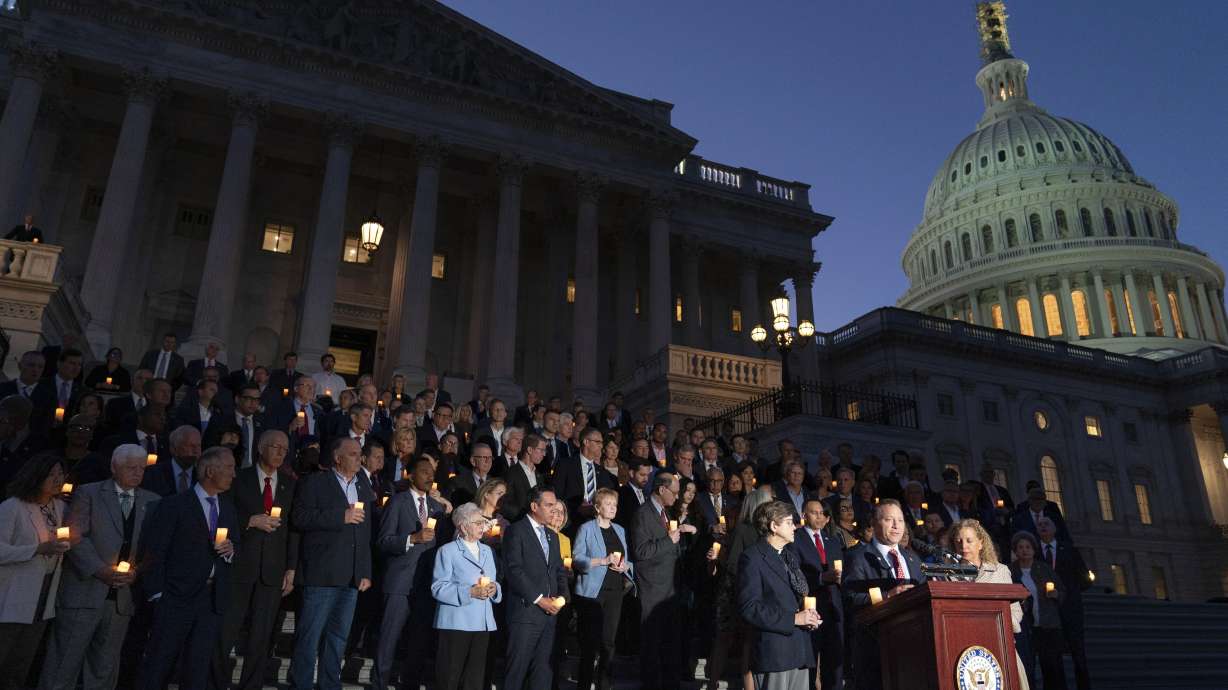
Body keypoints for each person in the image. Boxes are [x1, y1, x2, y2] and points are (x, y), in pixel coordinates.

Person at [40, 444, 157, 690]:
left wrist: (136, 572)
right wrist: (100, 570)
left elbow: (154, 548)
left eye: (141, 468)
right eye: (130, 467)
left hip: (122, 599)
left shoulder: (152, 501)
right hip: (85, 591)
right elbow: (75, 536)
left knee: (104, 667)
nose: (137, 473)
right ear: (114, 467)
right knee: (64, 663)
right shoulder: (89, 493)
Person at [137, 446, 238, 690]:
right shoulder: (175, 505)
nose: (234, 474)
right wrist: (158, 595)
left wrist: (231, 551)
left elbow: (235, 545)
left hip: (210, 601)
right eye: (229, 468)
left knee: (197, 671)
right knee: (159, 666)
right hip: (174, 598)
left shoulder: (228, 508)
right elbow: (155, 552)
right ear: (210, 470)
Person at [212, 430, 297, 690]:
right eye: (275, 447)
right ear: (260, 448)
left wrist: (291, 568)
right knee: (225, 633)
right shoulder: (239, 478)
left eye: (285, 448)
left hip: (272, 570)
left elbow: (293, 531)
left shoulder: (289, 483)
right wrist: (249, 521)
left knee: (261, 638)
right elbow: (220, 516)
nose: (281, 452)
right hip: (239, 567)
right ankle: (215, 683)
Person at [288, 438, 375, 690]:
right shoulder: (314, 482)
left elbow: (365, 532)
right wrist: (341, 516)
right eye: (353, 454)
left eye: (360, 454)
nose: (359, 458)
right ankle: (301, 684)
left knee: (338, 638)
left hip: (351, 577)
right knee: (309, 637)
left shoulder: (362, 484)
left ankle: (329, 685)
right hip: (321, 575)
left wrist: (365, 571)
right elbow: (299, 517)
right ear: (337, 458)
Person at [371, 456, 448, 690]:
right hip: (400, 583)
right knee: (389, 639)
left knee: (418, 641)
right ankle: (379, 683)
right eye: (424, 471)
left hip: (425, 585)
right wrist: (411, 539)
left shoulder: (437, 508)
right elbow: (383, 541)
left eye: (432, 471)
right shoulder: (397, 502)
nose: (429, 476)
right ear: (411, 475)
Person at [0, 453, 70, 689]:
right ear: (36, 476)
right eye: (52, 474)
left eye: (61, 473)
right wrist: (37, 549)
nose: (58, 479)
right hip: (13, 592)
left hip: (44, 593)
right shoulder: (13, 507)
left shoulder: (60, 507)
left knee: (22, 661)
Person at [842, 499, 926, 690]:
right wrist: (886, 596)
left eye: (900, 520)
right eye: (889, 520)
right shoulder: (858, 557)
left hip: (912, 648)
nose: (897, 526)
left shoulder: (912, 559)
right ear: (875, 523)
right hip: (874, 650)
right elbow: (849, 598)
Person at [738, 500, 821, 690]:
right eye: (790, 522)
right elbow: (749, 608)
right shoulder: (752, 557)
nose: (796, 526)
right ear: (774, 526)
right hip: (775, 654)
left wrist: (808, 615)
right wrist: (794, 619)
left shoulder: (789, 556)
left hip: (800, 651)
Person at [502, 487, 569, 690]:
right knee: (517, 670)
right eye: (549, 506)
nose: (554, 511)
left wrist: (562, 597)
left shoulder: (552, 535)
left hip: (550, 614)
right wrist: (540, 599)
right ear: (534, 506)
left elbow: (558, 570)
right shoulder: (516, 530)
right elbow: (514, 570)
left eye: (557, 507)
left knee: (543, 670)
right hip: (526, 612)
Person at [431, 502, 502, 690]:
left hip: (482, 622)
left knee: (475, 678)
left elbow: (494, 580)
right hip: (456, 622)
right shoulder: (447, 551)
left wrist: (495, 589)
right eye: (478, 522)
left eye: (483, 522)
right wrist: (469, 591)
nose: (482, 526)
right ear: (463, 526)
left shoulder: (488, 551)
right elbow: (438, 587)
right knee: (449, 677)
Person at [952, 519, 1030, 690]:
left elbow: (1015, 610)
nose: (963, 545)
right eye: (959, 541)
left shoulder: (1000, 571)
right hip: (963, 651)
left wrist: (1002, 625)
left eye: (969, 540)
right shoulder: (947, 575)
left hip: (1000, 645)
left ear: (981, 543)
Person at [572, 487, 633, 690]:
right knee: (590, 643)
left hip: (615, 591)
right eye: (608, 504)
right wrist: (602, 561)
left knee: (609, 642)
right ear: (597, 507)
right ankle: (583, 683)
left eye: (615, 504)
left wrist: (625, 566)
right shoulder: (586, 528)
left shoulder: (620, 530)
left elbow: (627, 560)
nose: (613, 508)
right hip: (592, 592)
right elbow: (578, 559)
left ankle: (603, 684)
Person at [630, 471, 684, 690]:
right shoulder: (643, 514)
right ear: (662, 490)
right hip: (652, 587)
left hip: (669, 586)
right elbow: (641, 551)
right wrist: (669, 540)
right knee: (652, 641)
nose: (677, 497)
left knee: (669, 641)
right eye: (675, 492)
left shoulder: (664, 512)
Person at [792, 498, 844, 690]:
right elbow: (795, 573)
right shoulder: (796, 539)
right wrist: (822, 577)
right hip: (810, 605)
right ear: (804, 516)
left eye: (821, 512)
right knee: (810, 660)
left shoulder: (833, 541)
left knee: (834, 660)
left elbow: (841, 571)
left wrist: (840, 579)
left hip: (833, 606)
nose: (819, 516)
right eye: (814, 512)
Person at [1035, 516, 1091, 690]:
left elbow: (1085, 579)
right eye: (1040, 525)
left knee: (1078, 655)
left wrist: (1068, 593)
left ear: (1054, 529)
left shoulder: (1069, 549)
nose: (1043, 527)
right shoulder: (1035, 552)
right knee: (1052, 657)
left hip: (1071, 609)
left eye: (1047, 524)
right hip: (1048, 611)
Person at [1011, 530, 1066, 690]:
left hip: (1048, 625)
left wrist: (1056, 594)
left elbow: (1062, 590)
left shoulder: (1044, 569)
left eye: (1028, 547)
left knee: (1052, 667)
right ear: (1015, 551)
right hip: (1025, 627)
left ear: (1034, 550)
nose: (1024, 550)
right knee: (1027, 667)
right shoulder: (1011, 570)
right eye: (1020, 547)